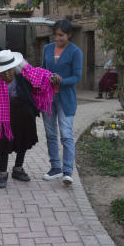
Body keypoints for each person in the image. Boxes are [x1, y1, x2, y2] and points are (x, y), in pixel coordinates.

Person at [0, 50, 54, 189]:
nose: (7, 74)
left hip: (23, 111)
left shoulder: (23, 71)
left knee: (22, 142)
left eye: (9, 70)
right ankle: (2, 174)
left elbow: (40, 74)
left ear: (14, 67)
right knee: (4, 144)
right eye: (3, 71)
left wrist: (52, 77)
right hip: (3, 116)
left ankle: (18, 169)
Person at [41, 19, 82, 185]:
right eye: (55, 35)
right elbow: (43, 69)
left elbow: (77, 77)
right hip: (48, 97)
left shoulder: (75, 51)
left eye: (61, 35)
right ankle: (55, 168)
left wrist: (61, 80)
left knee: (66, 135)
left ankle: (67, 171)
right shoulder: (47, 49)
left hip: (66, 99)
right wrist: (44, 77)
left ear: (69, 35)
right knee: (51, 134)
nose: (57, 38)